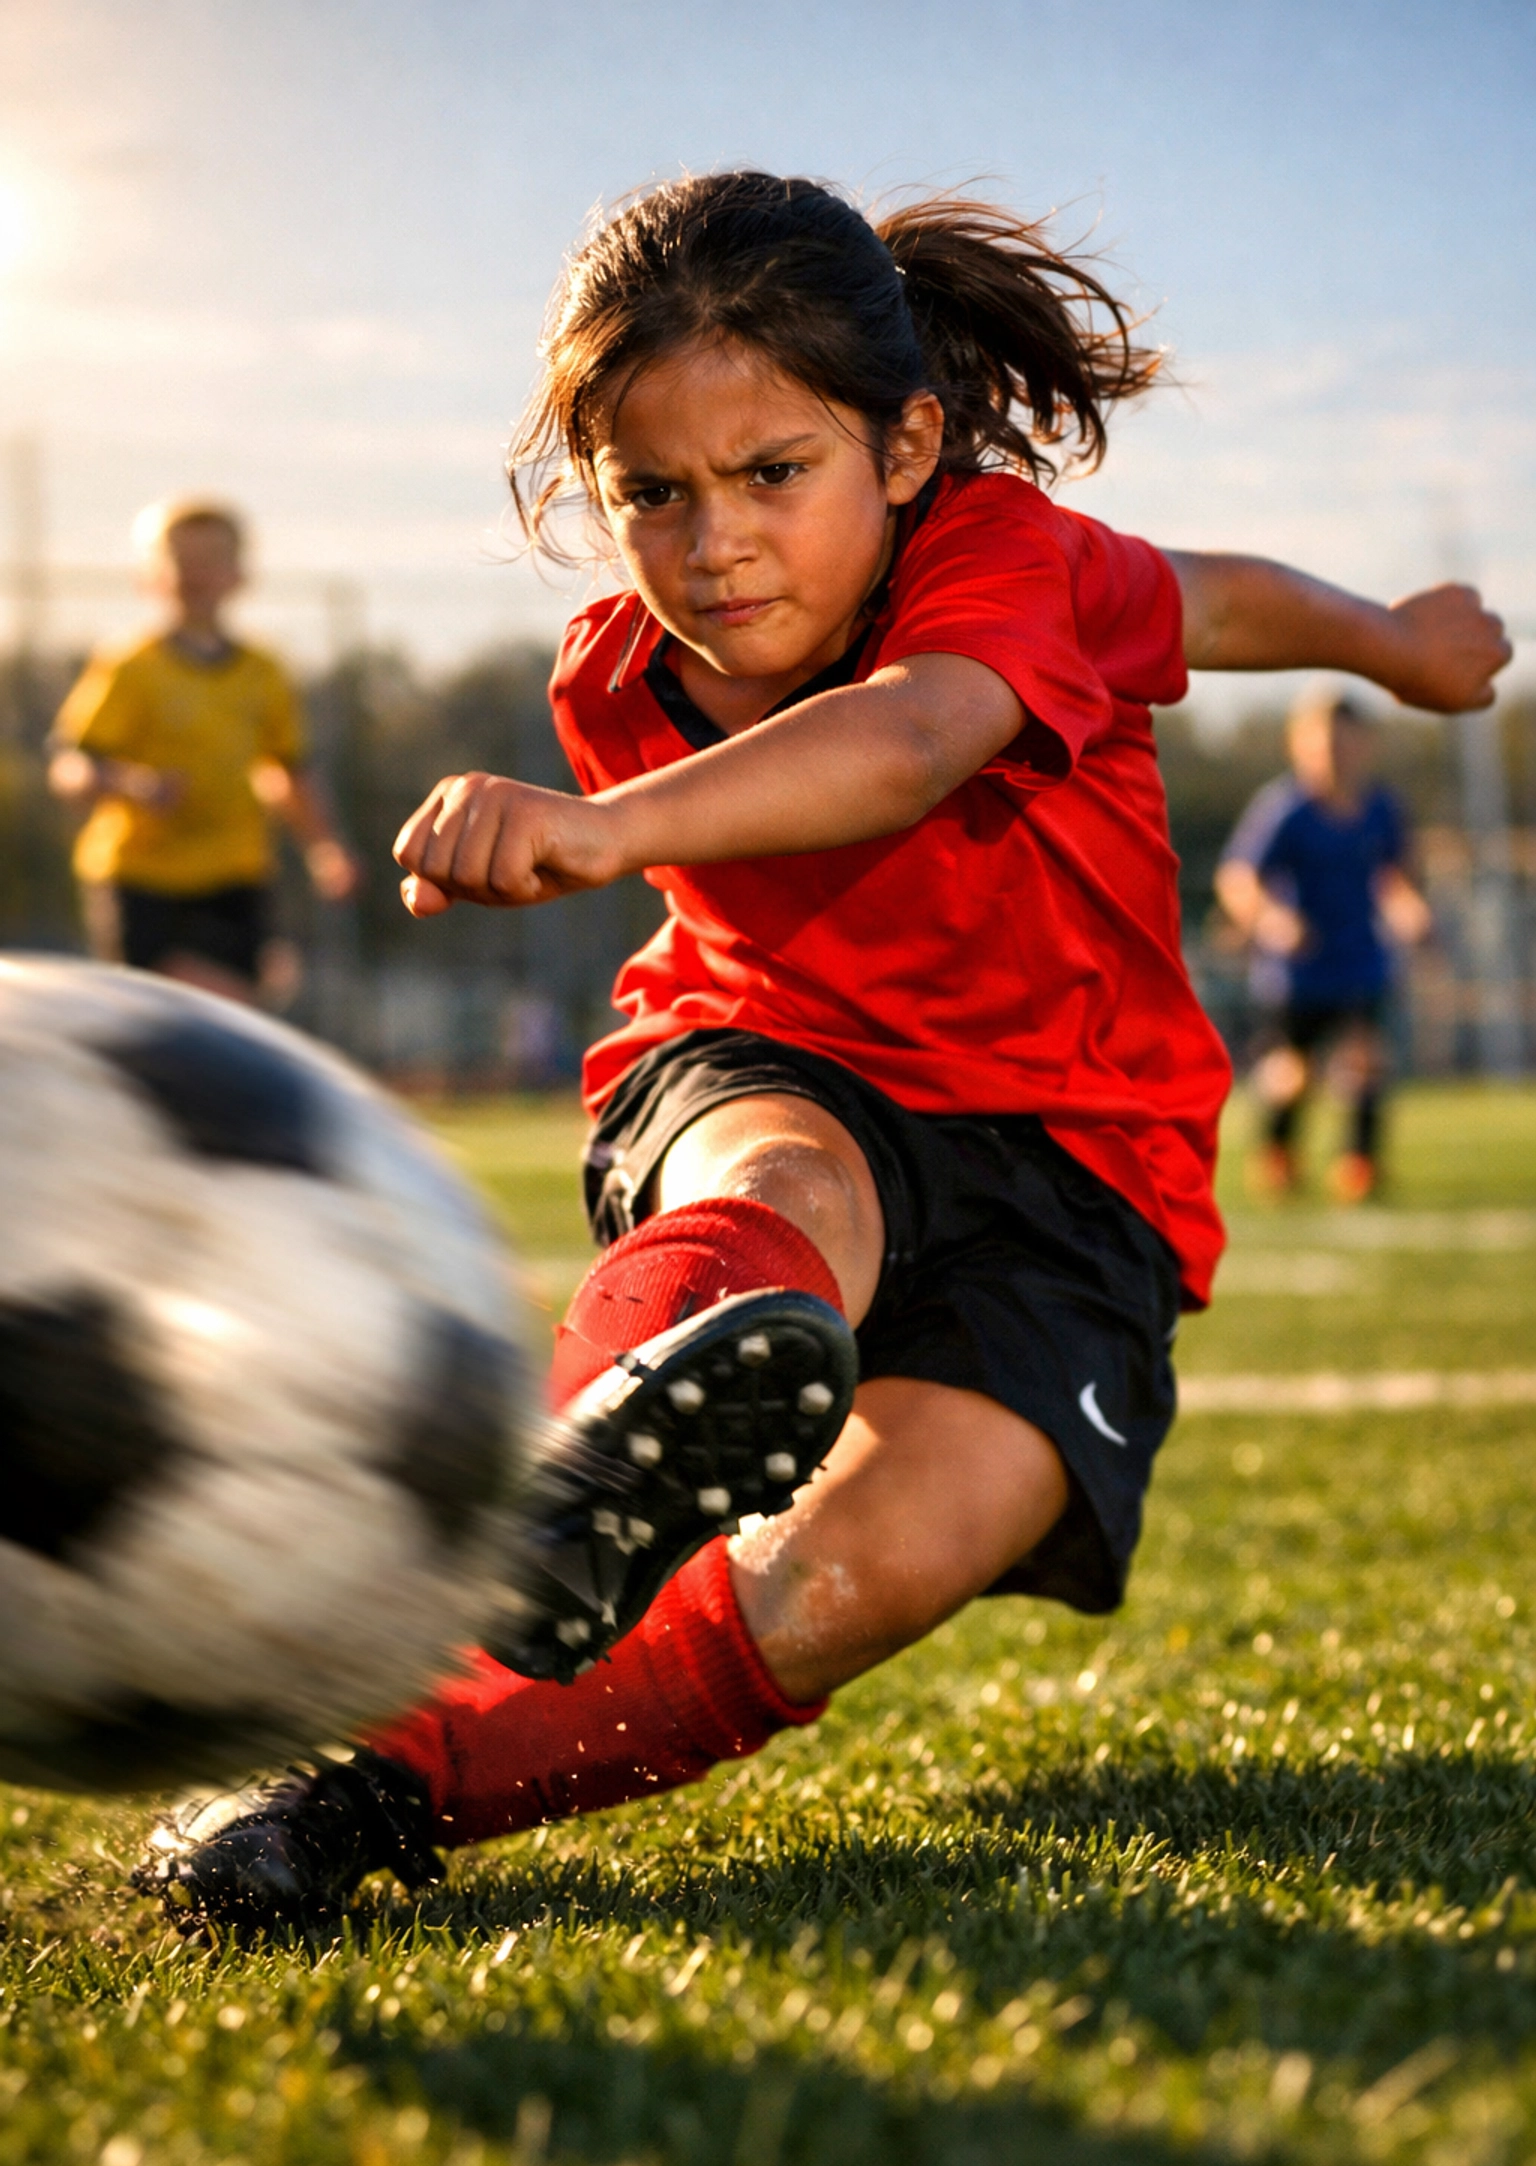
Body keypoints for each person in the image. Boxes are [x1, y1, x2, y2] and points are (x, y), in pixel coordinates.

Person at [137, 174, 1509, 1927]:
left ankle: (457, 1742)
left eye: (774, 472)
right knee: (791, 1178)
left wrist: (1398, 643)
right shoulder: (617, 671)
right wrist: (616, 812)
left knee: (881, 1558)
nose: (716, 542)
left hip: (1077, 1166)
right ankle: (371, 1749)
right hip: (765, 1055)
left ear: (910, 444)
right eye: (653, 491)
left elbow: (999, 695)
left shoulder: (1011, 562)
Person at [49, 499, 357, 1005]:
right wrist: (130, 785)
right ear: (149, 577)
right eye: (179, 560)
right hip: (141, 877)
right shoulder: (129, 667)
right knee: (175, 1010)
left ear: (237, 575)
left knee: (238, 1010)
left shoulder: (263, 672)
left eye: (210, 559)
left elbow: (286, 771)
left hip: (233, 873)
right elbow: (72, 765)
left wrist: (326, 849)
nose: (194, 574)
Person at [1215, 681, 1433, 1201]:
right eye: (1324, 743)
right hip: (1298, 970)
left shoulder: (1382, 808)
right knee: (1293, 1073)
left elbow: (1395, 877)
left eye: (1346, 741)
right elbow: (1238, 877)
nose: (1335, 753)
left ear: (1366, 745)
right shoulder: (1284, 809)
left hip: (1361, 961)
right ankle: (1279, 1153)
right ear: (1299, 745)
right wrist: (1272, 919)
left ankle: (1359, 1165)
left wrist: (1410, 911)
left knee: (1367, 1062)